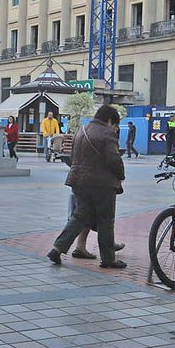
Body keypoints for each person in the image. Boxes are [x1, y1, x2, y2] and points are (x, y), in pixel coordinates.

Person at [47, 103, 126, 269]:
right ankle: (108, 259)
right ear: (110, 120)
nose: (115, 127)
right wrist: (121, 175)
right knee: (105, 220)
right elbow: (114, 160)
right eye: (115, 124)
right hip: (101, 184)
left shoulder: (82, 130)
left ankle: (57, 248)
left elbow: (74, 156)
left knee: (79, 216)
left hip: (78, 181)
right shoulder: (107, 134)